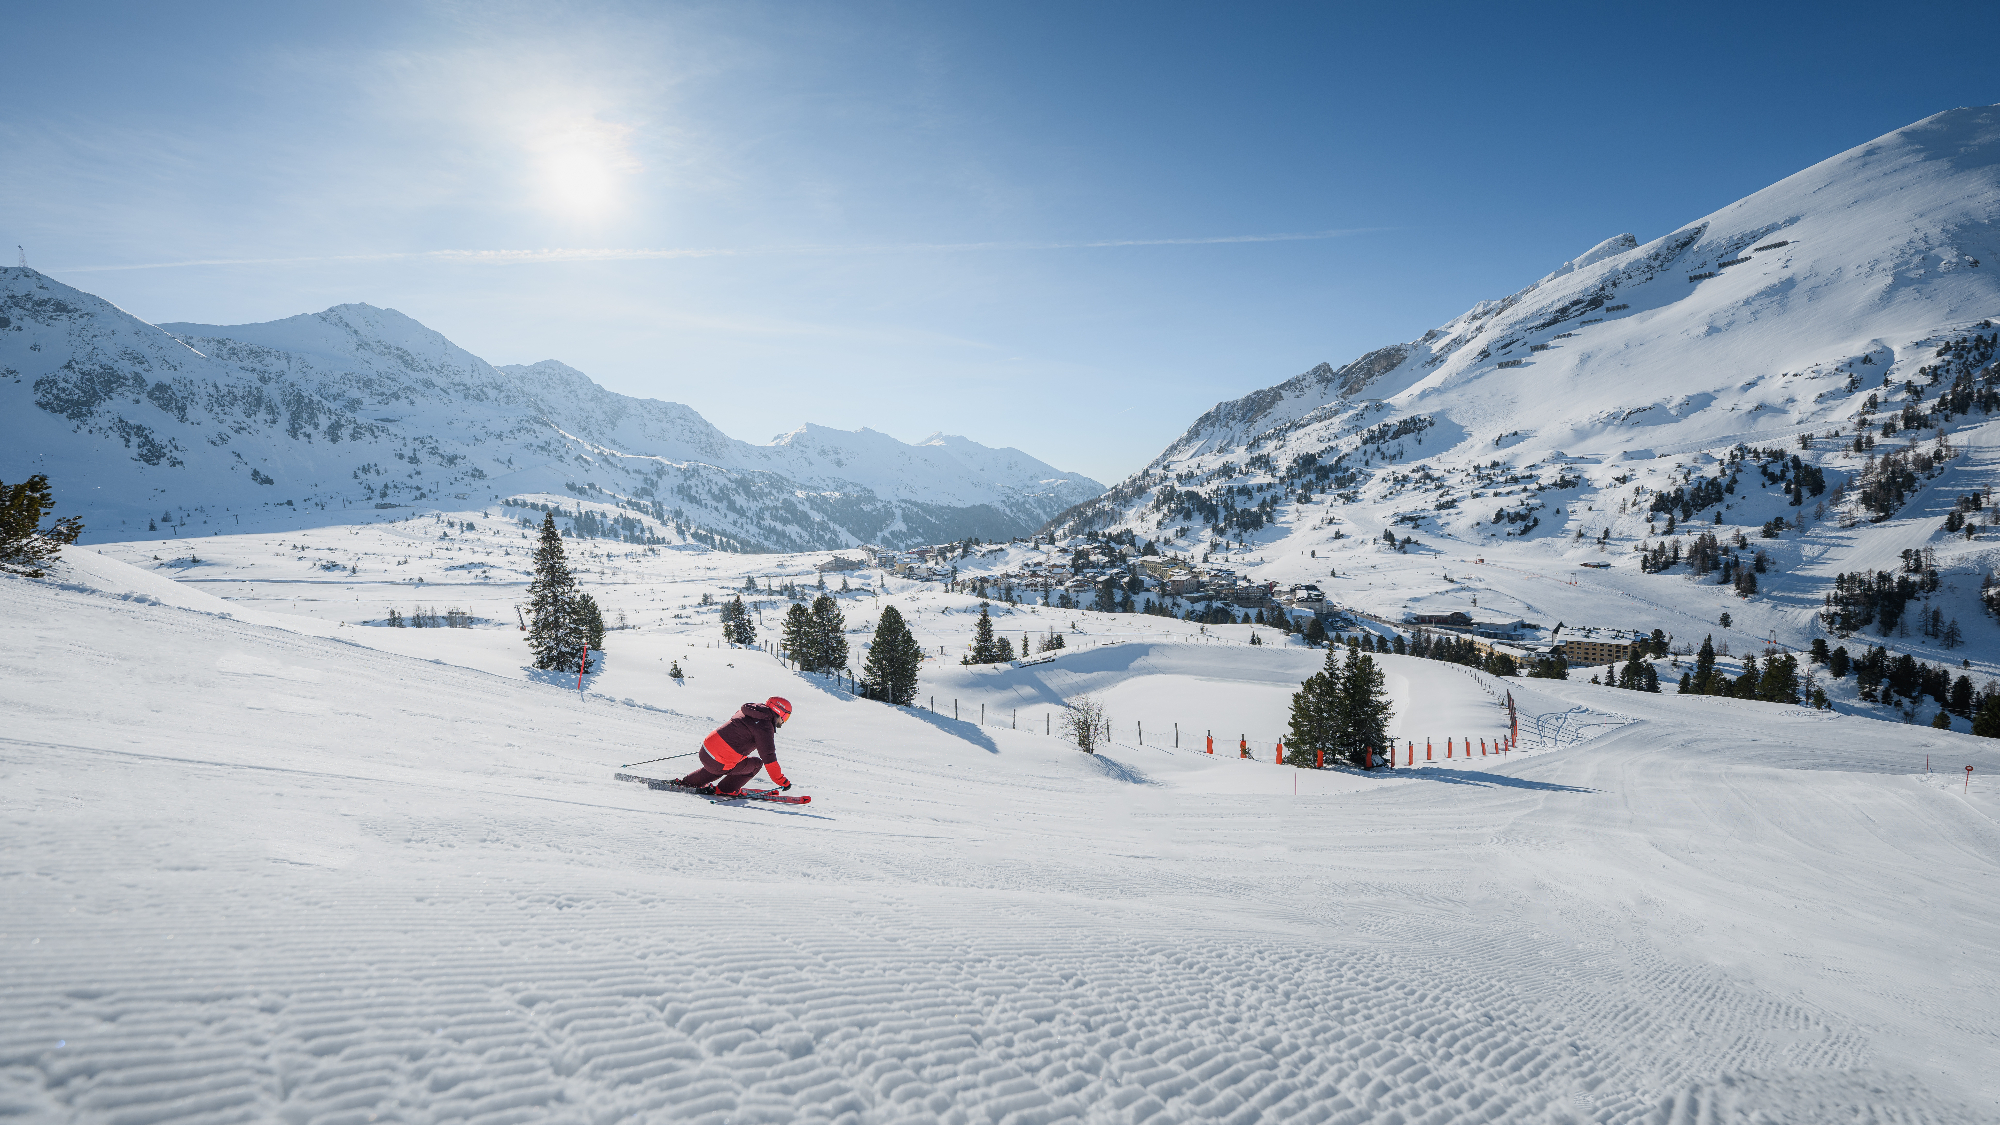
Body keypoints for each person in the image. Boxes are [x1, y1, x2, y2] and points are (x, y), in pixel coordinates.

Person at [673, 697, 793, 795]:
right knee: (756, 764)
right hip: (720, 760)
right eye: (785, 717)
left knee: (720, 764)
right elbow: (769, 756)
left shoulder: (750, 711)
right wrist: (781, 781)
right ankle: (725, 790)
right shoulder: (764, 726)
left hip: (705, 750)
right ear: (779, 711)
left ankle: (687, 783)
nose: (784, 721)